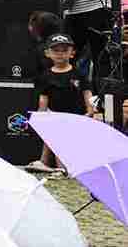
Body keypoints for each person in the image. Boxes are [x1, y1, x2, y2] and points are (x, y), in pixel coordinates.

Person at [34, 34, 95, 173]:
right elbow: (43, 98)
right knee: (53, 135)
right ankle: (47, 163)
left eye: (64, 50)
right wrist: (41, 115)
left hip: (77, 117)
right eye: (56, 50)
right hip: (55, 117)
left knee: (69, 145)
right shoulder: (45, 76)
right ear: (47, 53)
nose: (60, 54)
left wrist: (90, 110)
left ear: (72, 53)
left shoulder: (79, 74)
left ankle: (64, 167)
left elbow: (87, 92)